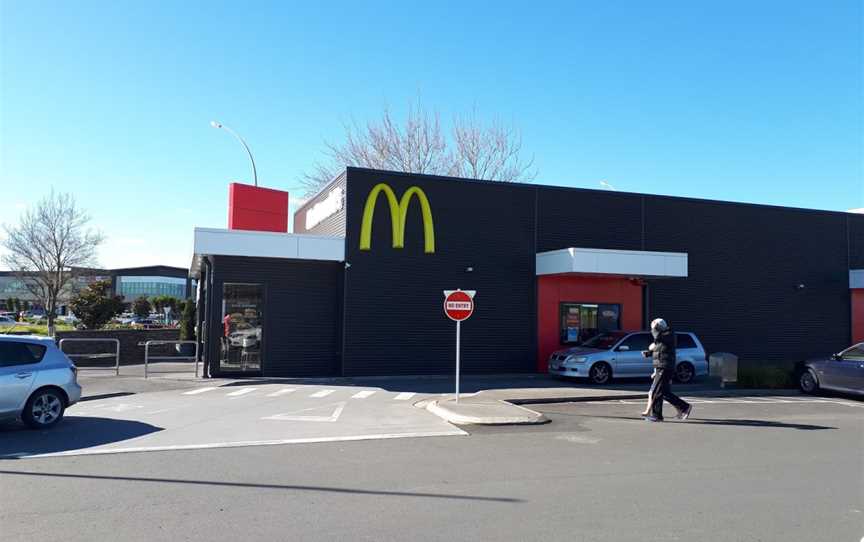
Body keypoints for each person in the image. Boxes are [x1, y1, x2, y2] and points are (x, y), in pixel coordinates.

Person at [640, 318, 692, 422]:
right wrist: (649, 353)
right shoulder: (664, 336)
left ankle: (657, 416)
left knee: (656, 391)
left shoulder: (668, 334)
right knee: (664, 392)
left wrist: (654, 328)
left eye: (654, 328)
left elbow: (658, 337)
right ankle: (684, 407)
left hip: (665, 366)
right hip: (662, 366)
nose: (653, 330)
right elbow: (659, 348)